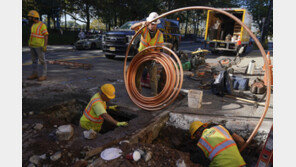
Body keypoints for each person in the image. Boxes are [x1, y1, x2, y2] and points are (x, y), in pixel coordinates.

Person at [131, 12, 164, 96]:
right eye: (152, 24)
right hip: (141, 56)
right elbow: (132, 27)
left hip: (151, 57)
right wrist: (141, 23)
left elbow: (159, 49)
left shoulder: (159, 34)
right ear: (148, 23)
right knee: (137, 75)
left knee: (153, 77)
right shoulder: (144, 29)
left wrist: (156, 58)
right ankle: (137, 93)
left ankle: (154, 95)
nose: (153, 26)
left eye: (155, 24)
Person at [27, 10, 49, 81]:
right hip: (32, 46)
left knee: (42, 61)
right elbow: (32, 35)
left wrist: (45, 46)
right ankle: (35, 74)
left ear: (34, 17)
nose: (29, 18)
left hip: (39, 46)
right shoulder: (33, 25)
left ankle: (44, 75)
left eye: (31, 17)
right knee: (34, 61)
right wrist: (30, 44)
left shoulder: (42, 25)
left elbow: (46, 36)